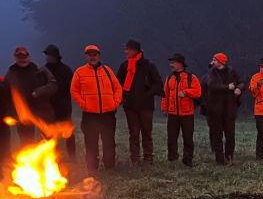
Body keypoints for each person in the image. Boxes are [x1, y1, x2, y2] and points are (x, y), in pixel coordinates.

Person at [70, 44, 123, 173]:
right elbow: (74, 90)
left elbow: (118, 88)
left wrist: (115, 103)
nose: (92, 57)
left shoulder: (107, 70)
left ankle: (110, 166)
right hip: (90, 115)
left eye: (95, 54)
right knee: (91, 142)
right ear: (86, 57)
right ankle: (92, 168)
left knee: (109, 141)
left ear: (99, 56)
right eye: (90, 55)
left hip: (108, 114)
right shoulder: (79, 72)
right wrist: (84, 104)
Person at [116, 39, 163, 167]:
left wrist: (147, 94)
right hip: (130, 106)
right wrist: (122, 97)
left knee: (147, 132)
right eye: (125, 49)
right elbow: (117, 84)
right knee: (134, 133)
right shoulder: (124, 66)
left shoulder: (149, 65)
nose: (125, 51)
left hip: (146, 106)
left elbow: (158, 84)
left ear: (136, 50)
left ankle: (148, 159)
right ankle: (135, 160)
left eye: (128, 49)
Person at [2, 45, 58, 149]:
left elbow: (54, 85)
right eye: (19, 57)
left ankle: (49, 164)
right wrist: (11, 113)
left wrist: (39, 92)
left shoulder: (39, 69)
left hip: (42, 111)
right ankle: (29, 164)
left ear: (29, 56)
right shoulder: (11, 72)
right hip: (24, 114)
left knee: (48, 141)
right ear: (15, 57)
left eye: (24, 56)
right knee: (26, 144)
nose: (22, 59)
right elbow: (6, 94)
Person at [201, 52, 242, 165]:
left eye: (214, 60)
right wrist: (227, 87)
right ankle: (219, 159)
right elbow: (212, 86)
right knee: (216, 135)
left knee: (230, 135)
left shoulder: (232, 72)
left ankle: (229, 157)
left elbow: (241, 83)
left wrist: (239, 89)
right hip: (214, 110)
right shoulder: (211, 73)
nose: (212, 62)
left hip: (229, 109)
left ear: (221, 62)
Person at [162, 53, 201, 166]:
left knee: (188, 138)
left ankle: (188, 159)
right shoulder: (169, 78)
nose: (171, 65)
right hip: (173, 114)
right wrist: (164, 108)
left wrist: (186, 92)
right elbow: (165, 94)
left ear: (180, 64)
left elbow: (198, 92)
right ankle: (172, 159)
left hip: (187, 113)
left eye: (173, 62)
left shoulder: (191, 77)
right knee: (171, 138)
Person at [43, 44, 76, 160]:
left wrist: (55, 85)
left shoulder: (65, 70)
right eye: (46, 55)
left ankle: (73, 157)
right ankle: (52, 158)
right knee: (50, 134)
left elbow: (71, 86)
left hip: (64, 107)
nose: (47, 57)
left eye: (50, 55)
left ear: (56, 56)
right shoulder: (43, 70)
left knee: (68, 133)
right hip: (49, 109)